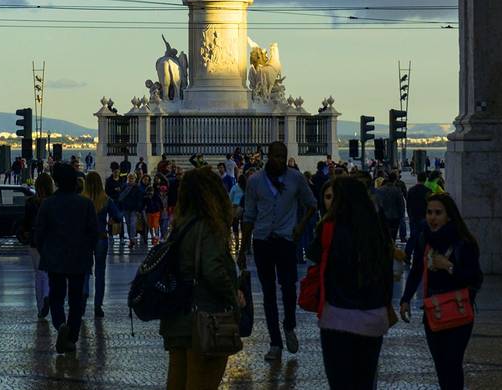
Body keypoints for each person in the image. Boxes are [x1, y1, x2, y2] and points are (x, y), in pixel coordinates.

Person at [160, 166, 245, 389]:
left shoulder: (179, 226)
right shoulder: (209, 226)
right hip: (206, 320)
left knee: (177, 383)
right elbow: (213, 270)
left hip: (177, 320)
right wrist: (233, 296)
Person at [310, 176, 393, 389]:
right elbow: (386, 273)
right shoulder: (376, 228)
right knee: (365, 381)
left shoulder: (329, 228)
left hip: (337, 316)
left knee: (340, 383)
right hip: (372, 318)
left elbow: (314, 255)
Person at [239, 141, 319, 361]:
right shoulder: (254, 181)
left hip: (286, 240)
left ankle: (289, 324)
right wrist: (241, 250)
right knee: (268, 294)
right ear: (268, 156)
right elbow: (248, 216)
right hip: (262, 241)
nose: (279, 160)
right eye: (276, 156)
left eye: (283, 156)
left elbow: (312, 204)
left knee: (289, 288)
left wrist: (300, 227)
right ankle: (275, 342)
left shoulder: (296, 178)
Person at [399, 193, 482, 390]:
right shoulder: (424, 239)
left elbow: (476, 278)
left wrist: (449, 266)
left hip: (458, 312)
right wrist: (406, 299)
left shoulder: (464, 242)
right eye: (429, 213)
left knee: (452, 365)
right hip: (433, 311)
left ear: (449, 215)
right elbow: (417, 269)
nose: (432, 217)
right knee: (441, 366)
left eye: (438, 213)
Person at [34, 162, 99, 354]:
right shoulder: (85, 203)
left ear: (57, 181)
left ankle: (60, 324)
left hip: (54, 257)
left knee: (56, 295)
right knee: (76, 299)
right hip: (79, 258)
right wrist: (88, 250)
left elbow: (39, 232)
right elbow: (93, 232)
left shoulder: (48, 203)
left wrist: (45, 250)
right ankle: (72, 336)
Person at [82, 171, 124, 317]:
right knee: (100, 272)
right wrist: (112, 220)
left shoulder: (82, 199)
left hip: (85, 238)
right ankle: (98, 305)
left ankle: (84, 293)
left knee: (85, 270)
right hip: (101, 237)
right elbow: (118, 216)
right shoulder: (106, 199)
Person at [21, 173, 54, 319]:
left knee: (39, 273)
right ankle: (47, 294)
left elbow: (26, 223)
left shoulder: (31, 202)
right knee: (48, 272)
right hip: (50, 240)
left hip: (34, 241)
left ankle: (41, 306)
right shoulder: (54, 201)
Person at [405, 174, 433, 264]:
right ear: (425, 179)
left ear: (417, 179)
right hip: (424, 217)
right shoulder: (428, 191)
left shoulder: (411, 190)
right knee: (425, 237)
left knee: (413, 236)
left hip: (413, 217)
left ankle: (407, 255)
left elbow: (408, 204)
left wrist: (410, 215)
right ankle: (422, 256)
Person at [118, 172, 145, 250]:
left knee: (133, 224)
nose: (131, 180)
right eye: (130, 178)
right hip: (126, 208)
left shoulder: (138, 188)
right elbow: (120, 197)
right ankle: (131, 239)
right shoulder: (124, 186)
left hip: (134, 209)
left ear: (135, 179)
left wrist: (138, 209)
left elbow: (140, 199)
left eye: (132, 178)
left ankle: (132, 239)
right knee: (128, 224)